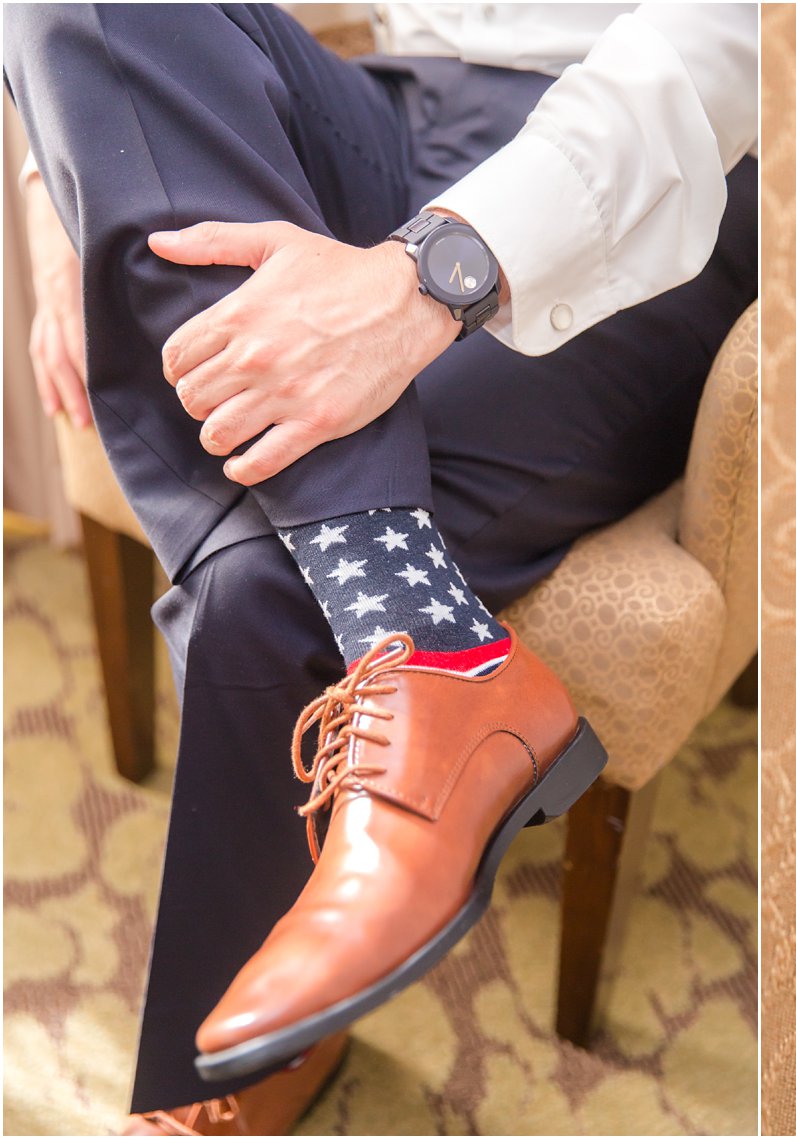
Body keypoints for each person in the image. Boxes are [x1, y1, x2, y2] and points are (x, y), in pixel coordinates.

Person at [5, 3, 757, 1133]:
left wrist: (422, 281)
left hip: (657, 177)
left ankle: (235, 1079)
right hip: (392, 98)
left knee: (267, 566)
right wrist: (55, 196)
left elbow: (729, 40)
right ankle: (422, 625)